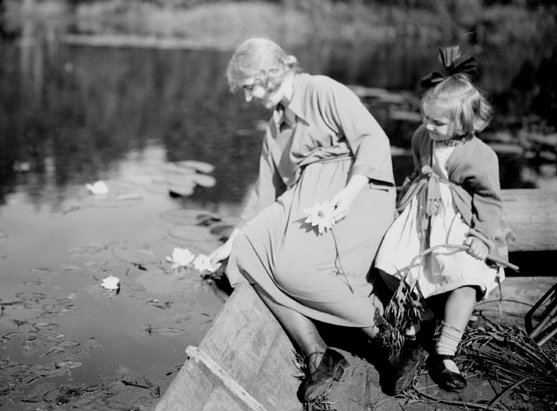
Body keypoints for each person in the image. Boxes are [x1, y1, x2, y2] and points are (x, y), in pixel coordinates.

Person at [207, 37, 398, 402]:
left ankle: (390, 340)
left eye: (248, 87)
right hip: (306, 201)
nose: (247, 98)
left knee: (290, 267)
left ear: (267, 74)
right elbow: (264, 195)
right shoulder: (275, 128)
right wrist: (230, 243)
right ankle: (319, 354)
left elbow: (373, 139)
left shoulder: (322, 90)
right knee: (244, 256)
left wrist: (349, 192)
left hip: (354, 192)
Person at [374, 46, 509, 391]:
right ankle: (420, 320)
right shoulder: (423, 137)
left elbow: (489, 200)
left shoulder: (479, 156)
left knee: (466, 280)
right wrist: (401, 202)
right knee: (390, 264)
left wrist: (482, 236)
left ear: (463, 123)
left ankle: (445, 351)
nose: (427, 126)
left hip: (457, 223)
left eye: (437, 122)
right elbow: (417, 174)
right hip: (423, 215)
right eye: (426, 118)